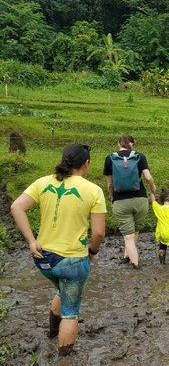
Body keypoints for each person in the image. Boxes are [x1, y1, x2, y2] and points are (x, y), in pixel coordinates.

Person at [10, 144, 106, 356]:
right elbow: (99, 233)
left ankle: (52, 333)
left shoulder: (43, 182)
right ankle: (64, 359)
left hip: (44, 259)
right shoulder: (93, 190)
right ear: (86, 164)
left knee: (61, 290)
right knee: (71, 312)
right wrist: (92, 252)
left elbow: (16, 207)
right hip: (72, 261)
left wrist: (31, 241)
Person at [103, 135, 155, 268]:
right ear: (132, 144)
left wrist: (111, 196)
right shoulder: (140, 156)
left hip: (121, 201)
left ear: (118, 144)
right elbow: (148, 177)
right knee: (135, 231)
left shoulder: (110, 158)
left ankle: (135, 263)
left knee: (128, 236)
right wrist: (153, 190)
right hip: (140, 200)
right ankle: (127, 256)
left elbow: (110, 184)